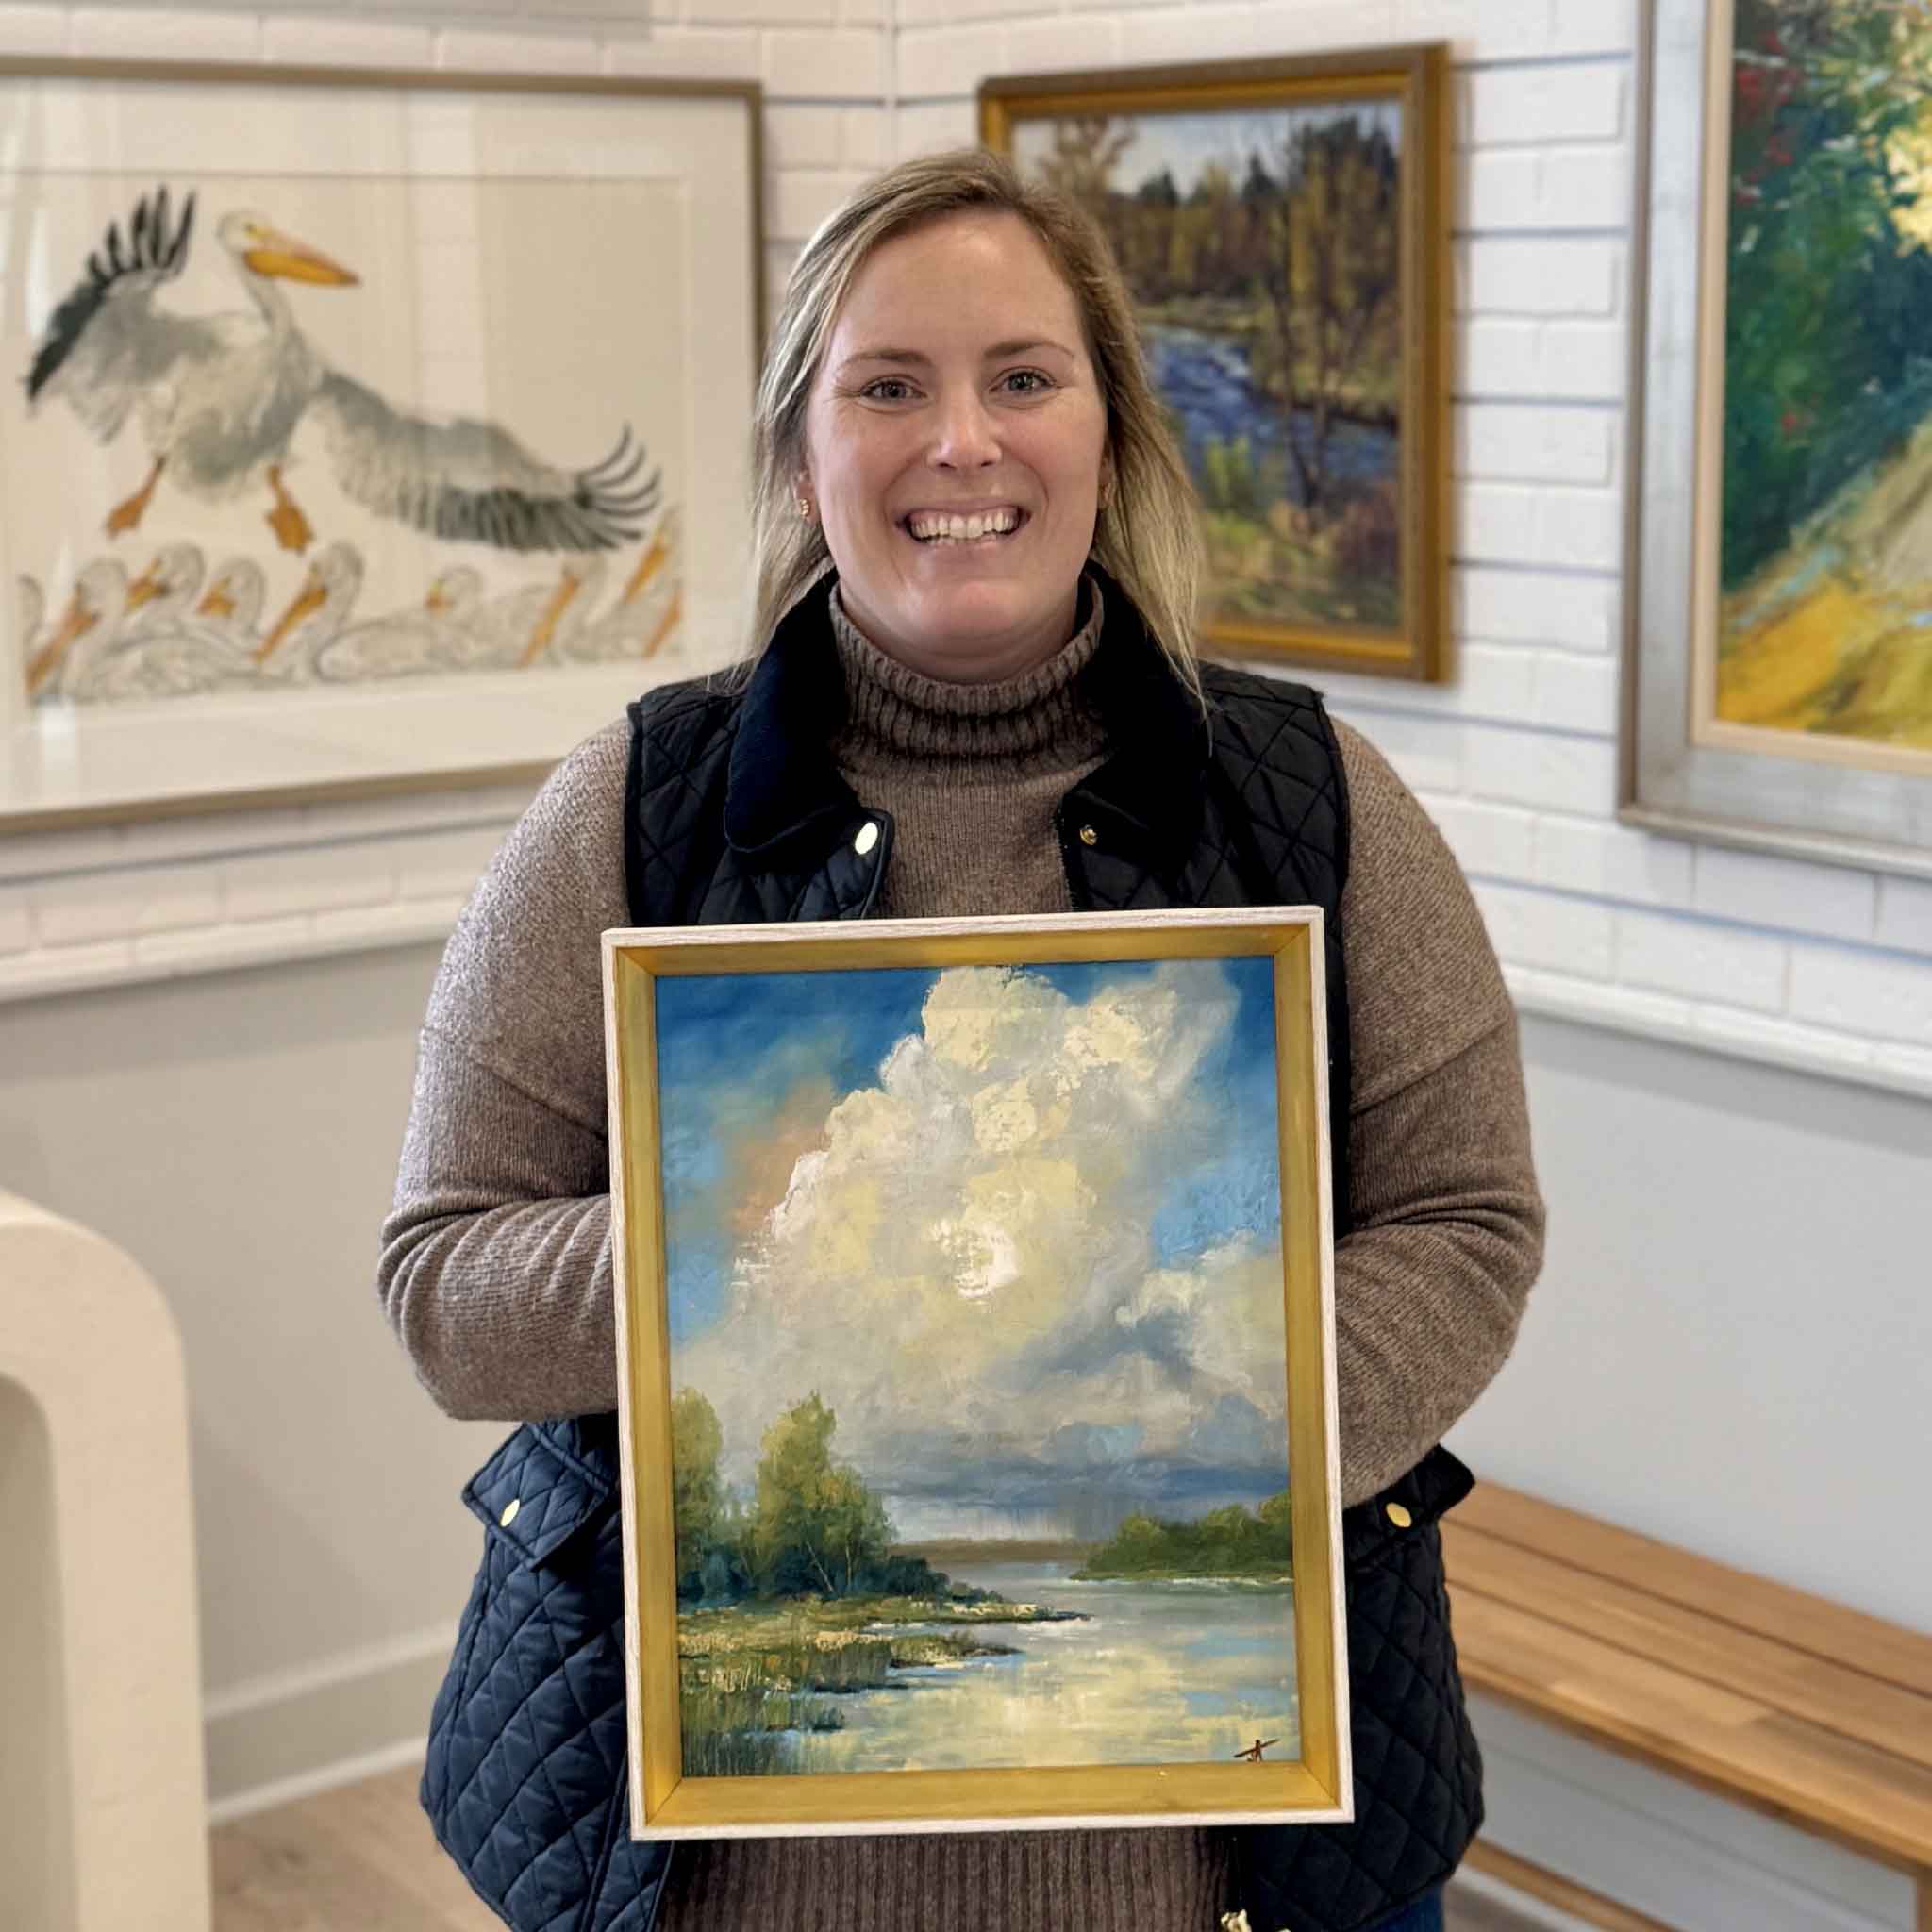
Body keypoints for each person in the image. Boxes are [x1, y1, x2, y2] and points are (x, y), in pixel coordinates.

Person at [379, 147, 1544, 1932]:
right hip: (715, 1877)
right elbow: (442, 1284)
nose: (964, 444)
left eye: (1023, 376)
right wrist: (771, 1281)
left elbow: (1469, 1226)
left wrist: (1220, 1421)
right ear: (801, 453)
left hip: (1226, 1863)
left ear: (1111, 430)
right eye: (889, 387)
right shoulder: (631, 807)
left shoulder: (1311, 798)